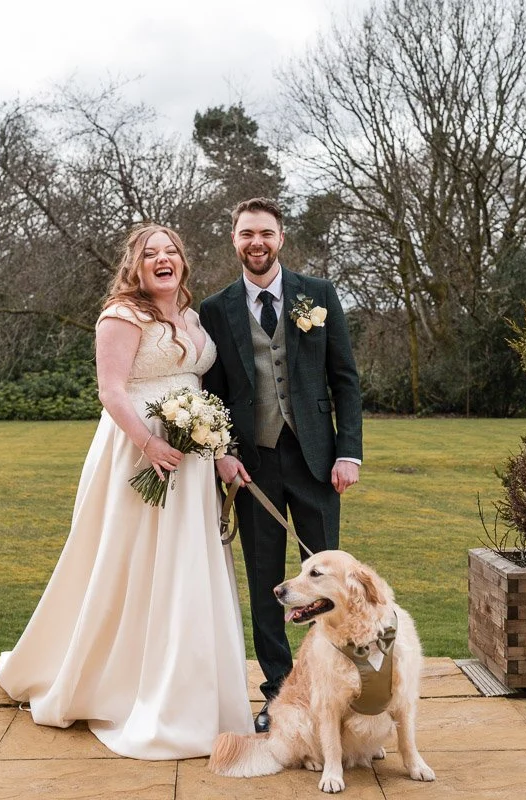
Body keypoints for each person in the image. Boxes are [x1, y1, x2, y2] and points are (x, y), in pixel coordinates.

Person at [0, 224, 253, 759]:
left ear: (183, 262)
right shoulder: (121, 314)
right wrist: (149, 444)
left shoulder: (192, 316)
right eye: (151, 254)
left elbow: (198, 388)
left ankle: (192, 690)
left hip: (194, 454)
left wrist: (220, 451)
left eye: (171, 252)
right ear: (135, 266)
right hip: (138, 452)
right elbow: (111, 390)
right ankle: (116, 682)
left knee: (186, 565)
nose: (164, 259)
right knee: (129, 561)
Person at [199, 197, 363, 733]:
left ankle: (339, 688)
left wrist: (348, 451)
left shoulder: (319, 294)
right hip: (254, 464)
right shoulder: (215, 309)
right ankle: (278, 693)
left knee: (329, 581)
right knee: (267, 580)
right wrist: (223, 454)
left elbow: (345, 379)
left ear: (281, 237)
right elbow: (213, 392)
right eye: (246, 234)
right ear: (234, 239)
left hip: (317, 461)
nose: (256, 243)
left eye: (265, 233)